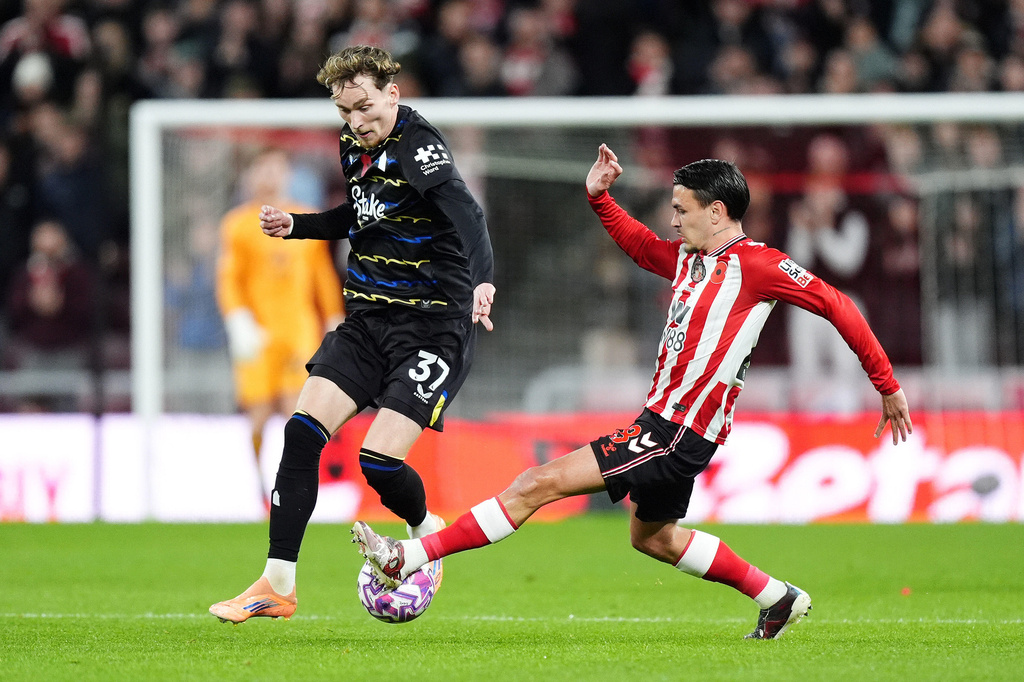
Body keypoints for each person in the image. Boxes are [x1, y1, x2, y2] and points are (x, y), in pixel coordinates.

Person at [352, 143, 911, 640]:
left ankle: (408, 556)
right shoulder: (694, 260)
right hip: (669, 422)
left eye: (681, 210)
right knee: (654, 537)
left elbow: (836, 304)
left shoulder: (759, 265)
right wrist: (601, 201)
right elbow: (642, 248)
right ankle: (778, 598)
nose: (672, 221)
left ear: (717, 212)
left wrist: (887, 386)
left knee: (536, 483)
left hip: (676, 430)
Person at [209, 45, 496, 623]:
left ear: (393, 93)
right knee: (300, 432)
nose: (356, 122)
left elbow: (468, 214)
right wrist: (299, 226)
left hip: (431, 326)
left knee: (379, 463)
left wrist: (483, 282)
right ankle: (277, 585)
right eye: (345, 113)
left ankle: (423, 530)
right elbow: (361, 214)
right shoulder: (354, 146)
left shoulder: (420, 147)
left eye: (365, 107)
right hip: (367, 320)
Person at [216, 147, 344, 504]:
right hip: (258, 335)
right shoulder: (237, 225)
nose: (270, 176)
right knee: (257, 416)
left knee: (297, 413)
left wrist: (333, 317)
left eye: (277, 169)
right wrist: (237, 320)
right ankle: (256, 485)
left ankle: (291, 488)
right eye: (264, 169)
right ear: (252, 176)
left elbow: (322, 275)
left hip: (298, 332)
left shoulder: (304, 218)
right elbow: (229, 280)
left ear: (287, 175)